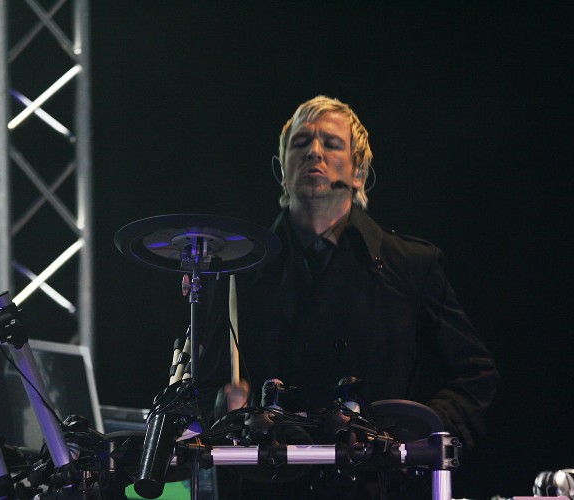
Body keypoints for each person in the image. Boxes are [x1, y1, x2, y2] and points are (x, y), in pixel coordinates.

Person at [196, 95, 499, 499]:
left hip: (375, 488)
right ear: (280, 170)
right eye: (300, 143)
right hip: (273, 488)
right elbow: (200, 389)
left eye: (331, 143)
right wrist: (223, 406)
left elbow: (475, 375)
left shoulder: (410, 265)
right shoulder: (240, 270)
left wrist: (415, 436)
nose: (314, 152)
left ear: (359, 172)